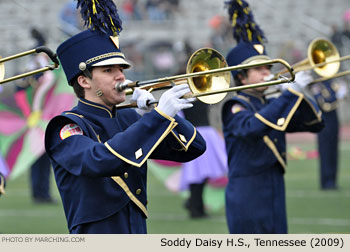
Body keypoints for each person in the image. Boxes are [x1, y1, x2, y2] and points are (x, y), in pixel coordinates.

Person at [44, 0, 206, 234]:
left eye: (121, 69)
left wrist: (156, 110)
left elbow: (194, 148)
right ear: (84, 80)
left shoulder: (130, 117)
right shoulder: (68, 126)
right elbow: (99, 160)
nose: (121, 76)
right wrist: (158, 118)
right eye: (109, 71)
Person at [222, 0, 324, 234]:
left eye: (268, 67)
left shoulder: (270, 103)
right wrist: (288, 96)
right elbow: (252, 128)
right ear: (242, 78)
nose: (267, 73)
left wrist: (300, 92)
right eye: (259, 70)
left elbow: (315, 123)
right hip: (248, 191)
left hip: (274, 186)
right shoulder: (235, 106)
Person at [181, 101, 228, 218]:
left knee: (201, 175)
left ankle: (194, 204)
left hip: (201, 134)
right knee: (197, 175)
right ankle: (195, 207)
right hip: (196, 134)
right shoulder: (187, 99)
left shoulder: (202, 98)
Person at [309, 80, 340, 190]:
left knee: (334, 151)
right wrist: (317, 92)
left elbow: (333, 100)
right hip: (324, 123)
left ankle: (333, 179)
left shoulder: (330, 83)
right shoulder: (316, 85)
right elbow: (325, 105)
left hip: (334, 122)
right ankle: (326, 181)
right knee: (325, 151)